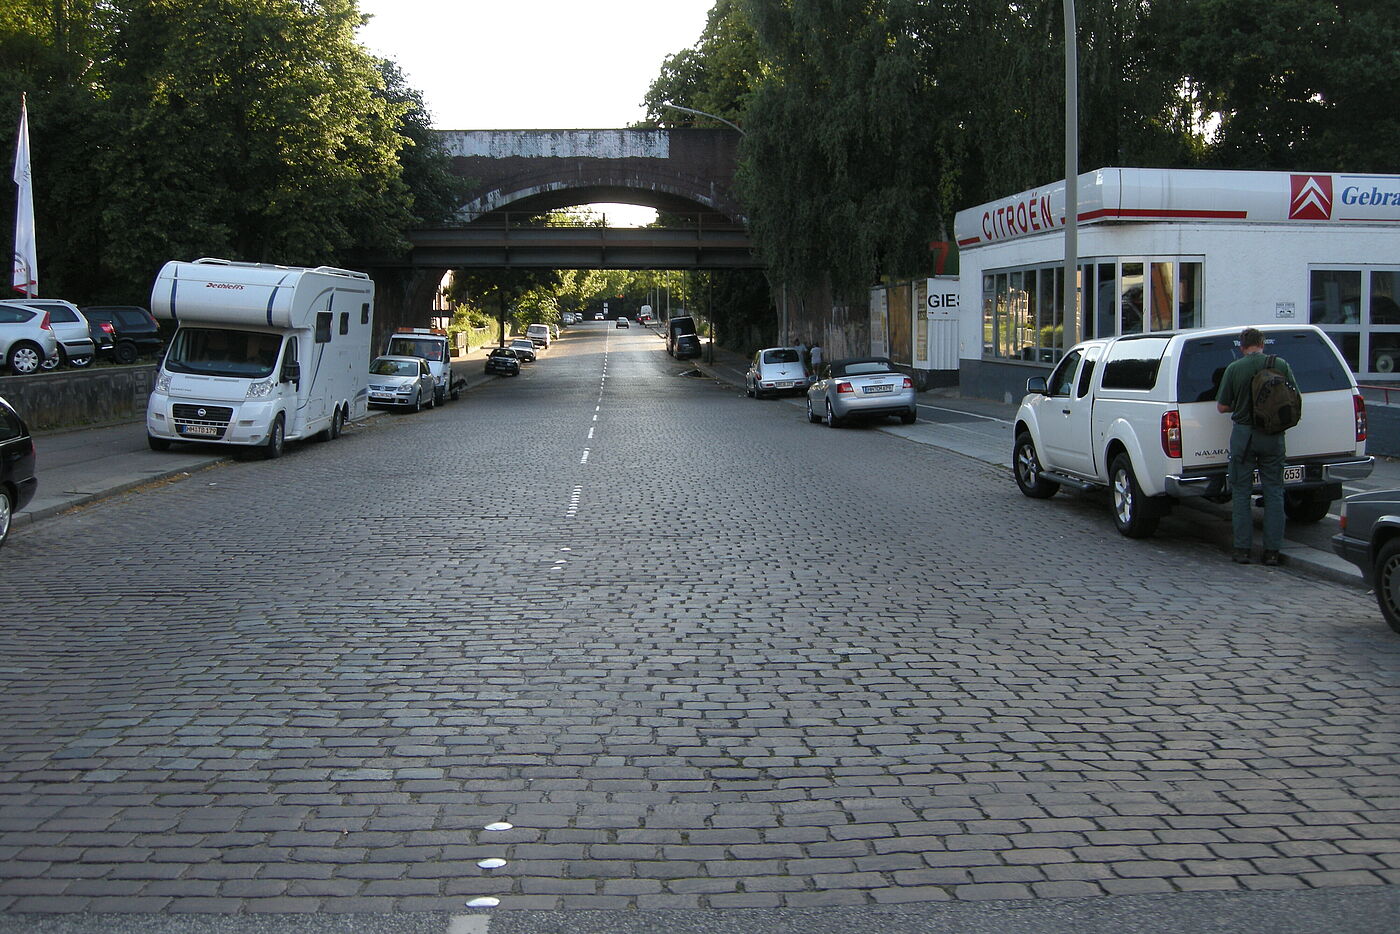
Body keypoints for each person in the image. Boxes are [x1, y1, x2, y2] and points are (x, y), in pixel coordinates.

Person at [1216, 327, 1297, 566]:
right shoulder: (1281, 365)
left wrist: (1241, 407)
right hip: (1273, 436)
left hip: (1244, 436)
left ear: (1241, 347)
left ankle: (1242, 549)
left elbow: (1222, 407)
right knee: (1274, 492)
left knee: (1241, 493)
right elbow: (1294, 398)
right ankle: (1272, 551)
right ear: (1263, 343)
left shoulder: (1235, 369)